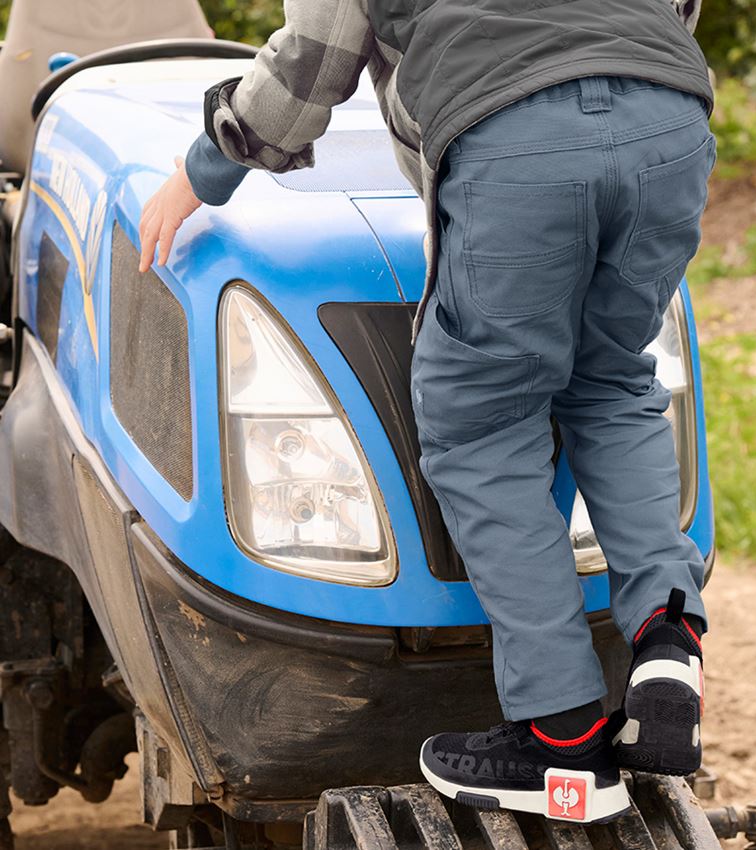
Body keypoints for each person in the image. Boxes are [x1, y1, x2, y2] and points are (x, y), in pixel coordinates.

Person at [139, 0, 715, 823]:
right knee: (613, 384)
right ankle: (665, 642)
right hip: (668, 121)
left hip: (517, 137)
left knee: (484, 422)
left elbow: (315, 53)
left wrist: (206, 167)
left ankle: (562, 740)